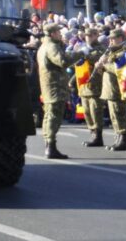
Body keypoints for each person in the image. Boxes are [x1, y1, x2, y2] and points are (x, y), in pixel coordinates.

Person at [36, 23, 83, 159]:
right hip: (55, 87)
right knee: (54, 116)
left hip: (50, 87)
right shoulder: (52, 47)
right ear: (52, 34)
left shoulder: (44, 46)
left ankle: (49, 145)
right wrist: (79, 53)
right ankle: (50, 146)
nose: (60, 34)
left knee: (49, 115)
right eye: (57, 32)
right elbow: (62, 61)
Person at [96, 28, 126, 151]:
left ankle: (123, 138)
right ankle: (118, 136)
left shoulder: (125, 50)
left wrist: (105, 65)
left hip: (117, 88)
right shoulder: (110, 51)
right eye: (110, 39)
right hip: (109, 88)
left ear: (121, 38)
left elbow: (120, 69)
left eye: (114, 38)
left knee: (119, 113)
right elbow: (105, 70)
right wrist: (99, 66)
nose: (111, 41)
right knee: (113, 115)